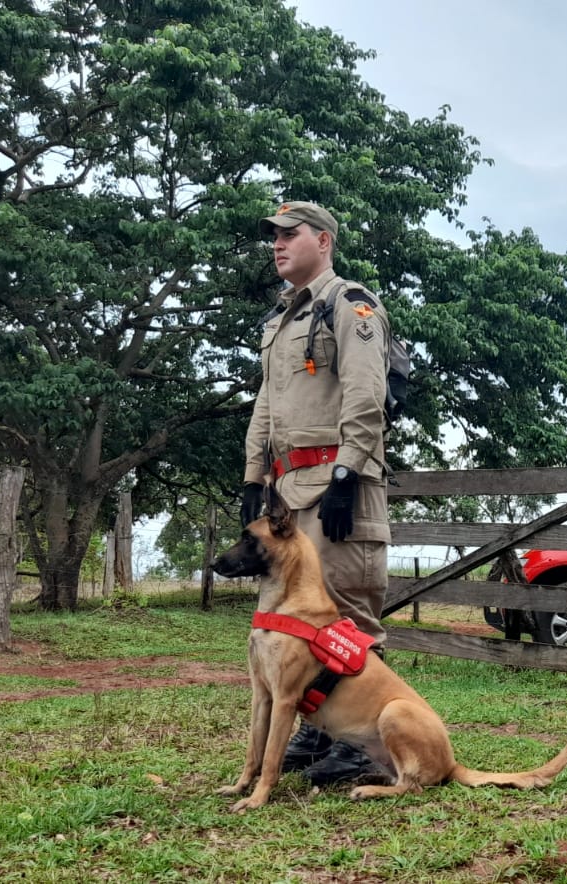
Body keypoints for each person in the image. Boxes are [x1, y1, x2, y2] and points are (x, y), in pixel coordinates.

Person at [240, 200, 392, 786]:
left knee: (348, 614)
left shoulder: (350, 305)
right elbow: (267, 404)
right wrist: (254, 476)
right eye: (273, 236)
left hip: (338, 483)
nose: (276, 245)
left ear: (323, 241)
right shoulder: (281, 319)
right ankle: (322, 730)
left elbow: (365, 394)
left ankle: (364, 745)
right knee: (303, 625)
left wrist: (348, 474)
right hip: (289, 488)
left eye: (289, 234)